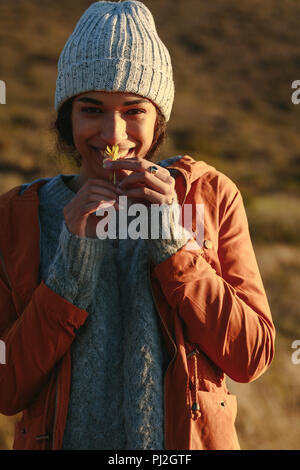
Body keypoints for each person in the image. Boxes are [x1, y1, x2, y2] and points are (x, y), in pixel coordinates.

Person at [0, 0, 275, 450]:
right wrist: (72, 256)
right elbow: (7, 387)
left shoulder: (208, 195)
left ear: (158, 118)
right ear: (67, 118)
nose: (112, 134)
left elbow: (252, 355)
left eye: (133, 111)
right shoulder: (17, 216)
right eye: (91, 110)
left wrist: (173, 240)